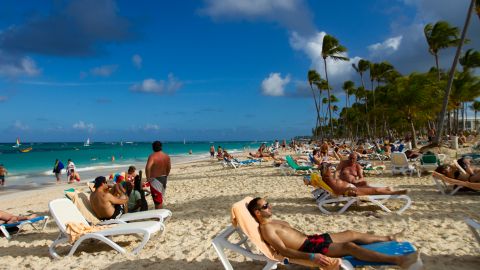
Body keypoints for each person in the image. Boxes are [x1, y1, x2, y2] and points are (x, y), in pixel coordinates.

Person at [247, 197, 418, 268]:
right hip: (309, 249)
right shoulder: (266, 228)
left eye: (268, 203)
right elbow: (284, 251)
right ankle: (398, 260)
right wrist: (312, 257)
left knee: (350, 233)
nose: (270, 206)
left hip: (312, 239)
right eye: (265, 206)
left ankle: (388, 238)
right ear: (257, 213)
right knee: (350, 247)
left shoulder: (273, 221)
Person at [321, 163, 407, 196]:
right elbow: (337, 191)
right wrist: (349, 189)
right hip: (351, 191)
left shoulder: (328, 178)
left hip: (351, 188)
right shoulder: (328, 179)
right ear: (325, 172)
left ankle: (386, 189)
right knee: (375, 191)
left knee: (367, 186)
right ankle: (394, 192)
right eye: (329, 168)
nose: (331, 169)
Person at [145, 141, 171, 209]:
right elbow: (169, 167)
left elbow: (148, 167)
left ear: (153, 147)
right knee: (160, 198)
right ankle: (160, 213)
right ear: (161, 147)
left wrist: (148, 178)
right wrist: (166, 175)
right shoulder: (166, 156)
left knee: (157, 200)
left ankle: (158, 216)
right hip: (164, 178)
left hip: (155, 180)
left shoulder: (152, 156)